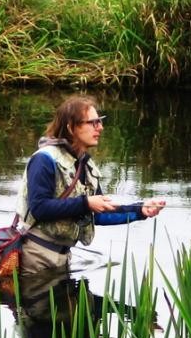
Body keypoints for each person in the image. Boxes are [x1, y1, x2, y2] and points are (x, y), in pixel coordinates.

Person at [14, 96, 165, 275]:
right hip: (35, 259)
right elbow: (39, 208)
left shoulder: (85, 163)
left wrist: (140, 210)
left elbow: (98, 214)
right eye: (93, 123)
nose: (100, 128)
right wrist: (86, 203)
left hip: (62, 258)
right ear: (71, 127)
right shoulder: (44, 159)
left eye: (99, 122)